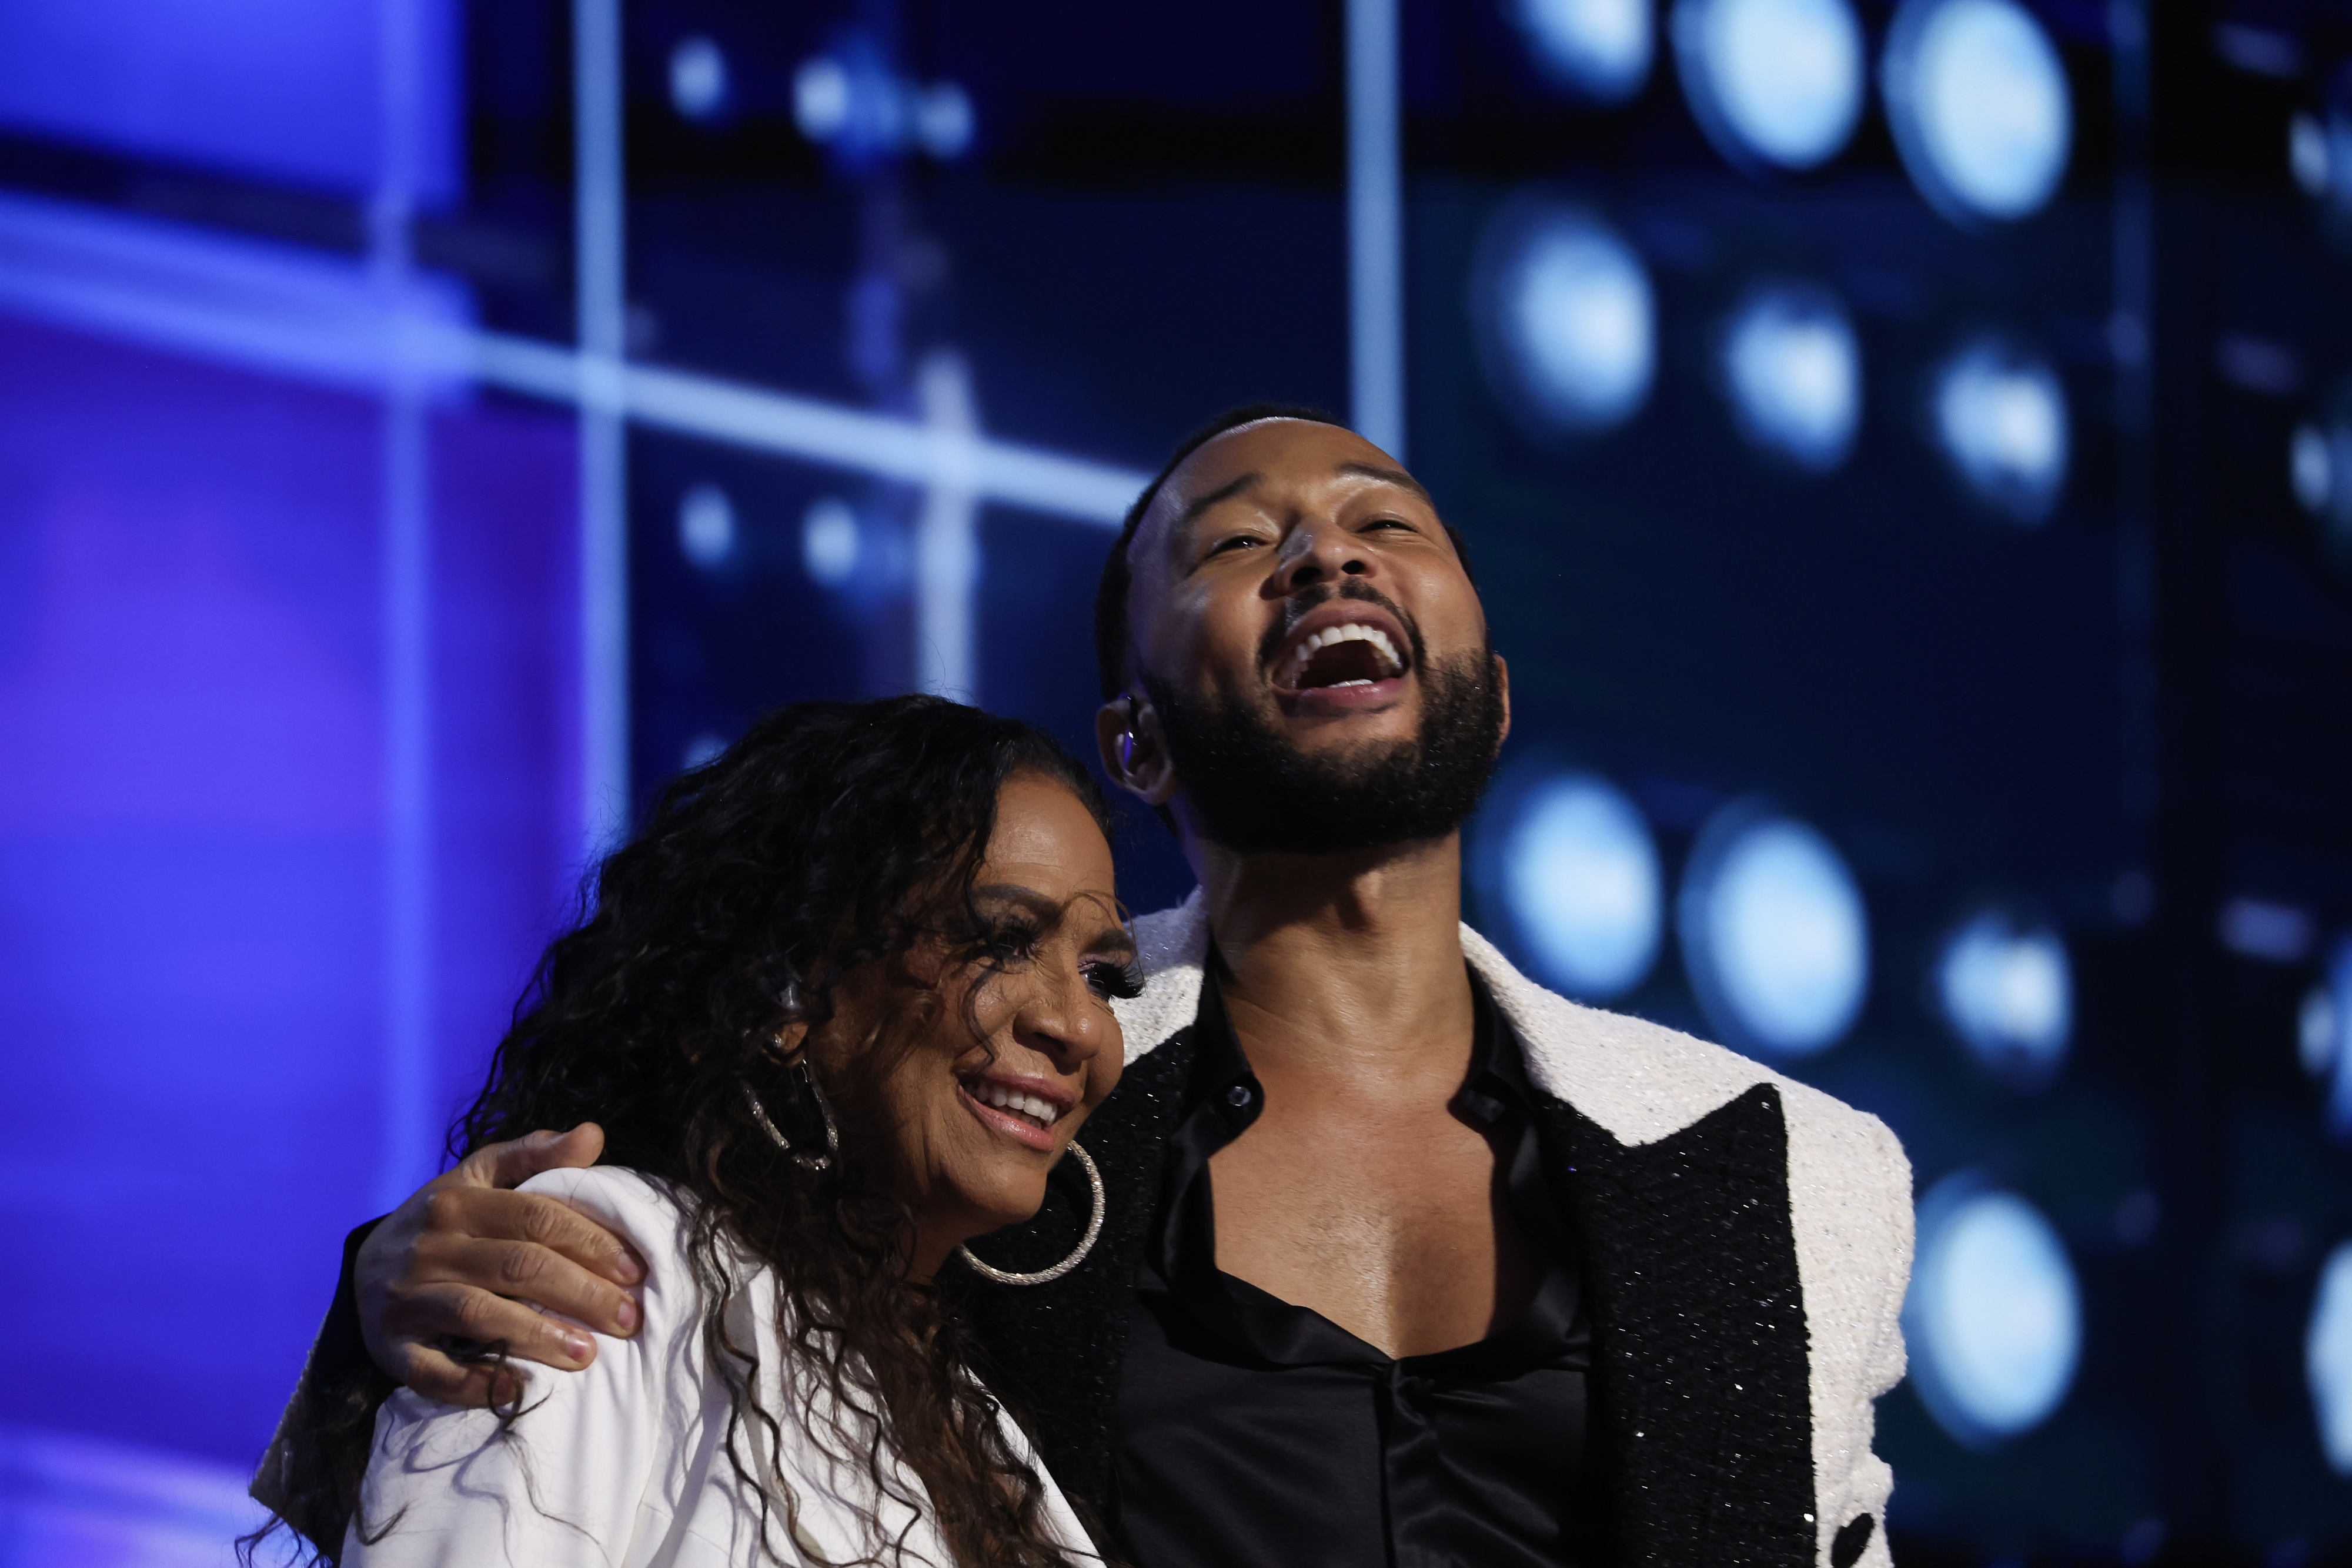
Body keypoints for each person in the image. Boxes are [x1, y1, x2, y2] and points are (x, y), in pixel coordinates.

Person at [262, 408, 1913, 1568]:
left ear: (1488, 680)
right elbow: (659, 1340)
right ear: (1131, 733)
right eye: (1244, 540)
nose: (1327, 558)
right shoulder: (992, 1104)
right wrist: (386, 1297)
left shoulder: (1787, 1168)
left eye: (1386, 523)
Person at [252, 696, 1142, 1566]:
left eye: (1102, 975)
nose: (1082, 1026)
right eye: (1003, 938)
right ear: (789, 994)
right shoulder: (602, 1273)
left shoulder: (976, 1430)